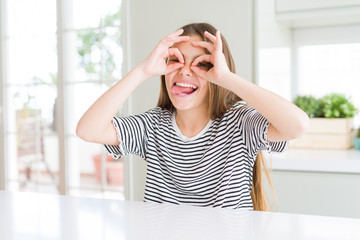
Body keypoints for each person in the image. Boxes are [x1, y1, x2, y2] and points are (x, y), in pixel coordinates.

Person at [76, 23, 309, 211]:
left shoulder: (240, 124)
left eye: (202, 64)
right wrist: (142, 71)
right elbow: (88, 130)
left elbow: (297, 125)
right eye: (175, 60)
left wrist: (228, 79)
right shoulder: (152, 126)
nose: (185, 70)